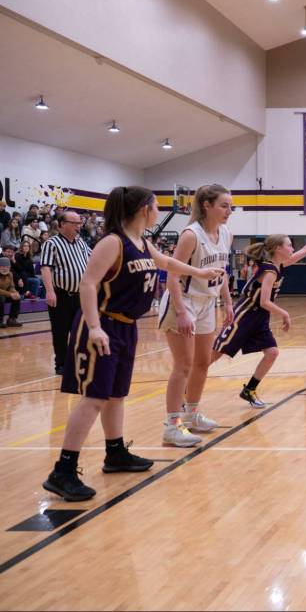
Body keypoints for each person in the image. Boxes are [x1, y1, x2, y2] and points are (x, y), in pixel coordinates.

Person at [41, 186, 223, 501]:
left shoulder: (143, 242)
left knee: (116, 396)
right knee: (94, 398)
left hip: (126, 326)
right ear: (143, 209)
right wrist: (95, 328)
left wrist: (199, 271)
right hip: (102, 324)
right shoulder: (113, 242)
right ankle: (63, 470)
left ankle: (115, 453)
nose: (157, 210)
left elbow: (167, 262)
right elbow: (88, 284)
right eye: (155, 205)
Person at [212, 220, 306, 408]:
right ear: (279, 248)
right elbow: (264, 301)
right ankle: (187, 388)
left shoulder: (280, 265)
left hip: (259, 318)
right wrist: (284, 314)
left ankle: (249, 390)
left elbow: (305, 251)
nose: (293, 248)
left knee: (272, 353)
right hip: (243, 316)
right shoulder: (269, 270)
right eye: (289, 245)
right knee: (214, 356)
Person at [157, 185, 234, 447]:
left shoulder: (226, 233)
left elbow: (221, 271)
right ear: (207, 205)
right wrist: (181, 311)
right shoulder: (191, 235)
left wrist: (228, 301)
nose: (229, 211)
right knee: (184, 364)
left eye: (230, 206)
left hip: (207, 302)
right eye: (224, 205)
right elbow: (172, 275)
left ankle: (191, 415)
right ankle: (172, 425)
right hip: (184, 300)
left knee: (202, 362)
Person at [40, 210, 91, 375]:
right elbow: (46, 267)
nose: (79, 226)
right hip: (61, 295)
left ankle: (78, 361)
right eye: (75, 223)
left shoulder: (81, 242)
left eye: (79, 223)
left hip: (81, 296)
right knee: (60, 332)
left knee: (81, 331)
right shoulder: (51, 243)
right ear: (62, 224)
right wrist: (49, 291)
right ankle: (61, 364)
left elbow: (94, 258)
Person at [0, 257, 22, 328]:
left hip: (5, 294)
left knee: (17, 298)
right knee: (1, 298)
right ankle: (0, 321)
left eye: (7, 266)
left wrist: (15, 293)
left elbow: (12, 287)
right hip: (1, 295)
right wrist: (10, 294)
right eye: (2, 266)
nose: (5, 268)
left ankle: (12, 319)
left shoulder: (10, 274)